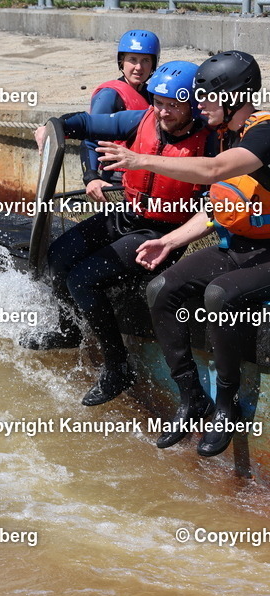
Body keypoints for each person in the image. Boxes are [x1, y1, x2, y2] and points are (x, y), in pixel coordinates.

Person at [100, 51, 270, 456]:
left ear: (233, 97)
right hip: (239, 246)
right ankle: (192, 396)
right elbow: (219, 205)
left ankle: (226, 406)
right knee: (162, 288)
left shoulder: (264, 134)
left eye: (207, 97)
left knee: (220, 295)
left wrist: (139, 159)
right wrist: (171, 241)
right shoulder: (227, 132)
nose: (199, 105)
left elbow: (212, 171)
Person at [21, 61, 214, 408]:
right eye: (159, 102)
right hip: (127, 215)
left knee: (83, 280)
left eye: (173, 105)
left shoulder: (210, 141)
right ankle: (69, 330)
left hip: (162, 232)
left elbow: (216, 204)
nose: (163, 112)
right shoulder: (143, 120)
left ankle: (118, 368)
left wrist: (175, 238)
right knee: (58, 256)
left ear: (193, 104)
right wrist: (52, 129)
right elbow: (85, 123)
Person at [79, 30, 159, 203]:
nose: (139, 67)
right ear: (121, 62)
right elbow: (89, 139)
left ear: (153, 64)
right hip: (116, 180)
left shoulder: (154, 95)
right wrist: (91, 177)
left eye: (145, 60)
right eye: (133, 60)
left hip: (145, 179)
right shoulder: (110, 94)